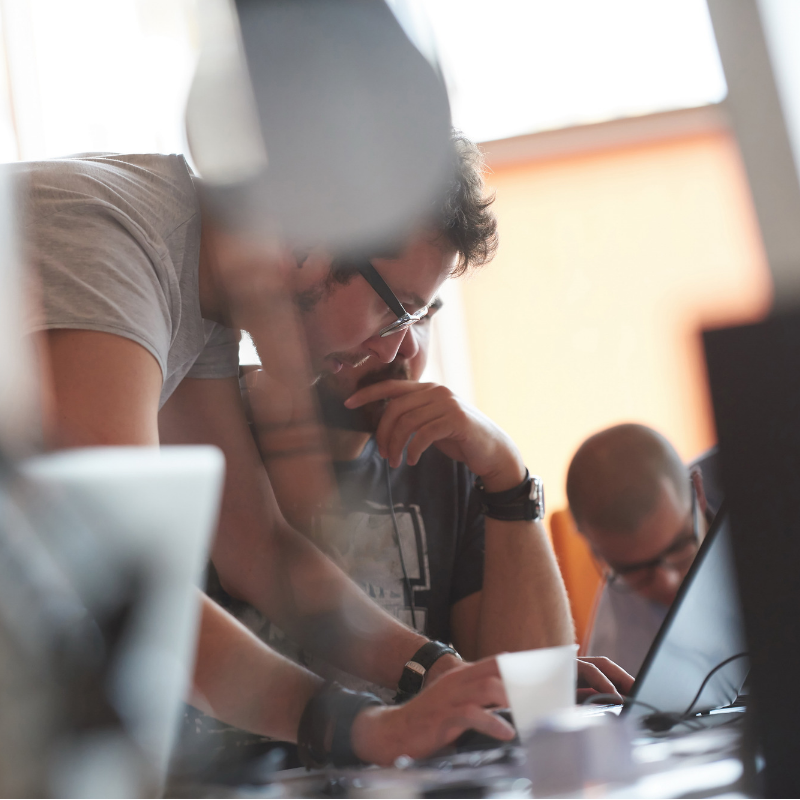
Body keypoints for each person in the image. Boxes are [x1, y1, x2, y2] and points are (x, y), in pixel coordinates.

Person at [17, 135, 629, 768]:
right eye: (397, 311)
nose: (398, 350)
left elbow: (255, 545)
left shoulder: (197, 291)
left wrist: (436, 670)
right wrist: (366, 729)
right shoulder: (108, 245)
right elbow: (124, 581)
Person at [233, 294, 573, 692]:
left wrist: (507, 475)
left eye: (424, 318)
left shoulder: (449, 464)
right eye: (388, 318)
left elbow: (534, 696)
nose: (409, 347)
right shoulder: (209, 439)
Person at [566, 423, 721, 677]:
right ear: (594, 549)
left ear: (698, 492)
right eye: (633, 569)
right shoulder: (616, 642)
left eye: (679, 546)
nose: (667, 583)